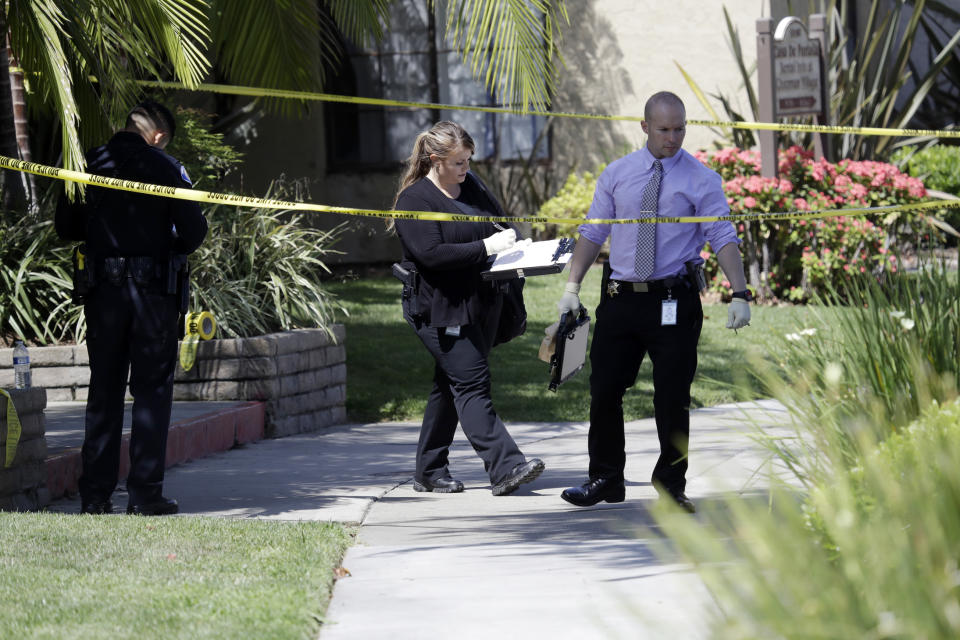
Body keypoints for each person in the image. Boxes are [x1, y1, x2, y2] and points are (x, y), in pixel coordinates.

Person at [556, 92, 751, 513]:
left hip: (673, 300)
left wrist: (740, 292)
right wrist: (572, 287)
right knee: (605, 390)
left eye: (680, 128)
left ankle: (671, 483)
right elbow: (593, 232)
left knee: (672, 396)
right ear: (645, 127)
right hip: (621, 298)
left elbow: (723, 236)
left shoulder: (702, 179)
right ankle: (605, 477)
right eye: (663, 129)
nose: (673, 137)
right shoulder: (618, 174)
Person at [55, 100, 208, 516]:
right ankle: (144, 495)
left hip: (103, 293)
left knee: (104, 391)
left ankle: (95, 496)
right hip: (152, 295)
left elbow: (65, 228)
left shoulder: (86, 163)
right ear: (157, 135)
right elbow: (194, 232)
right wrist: (162, 245)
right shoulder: (166, 168)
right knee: (151, 392)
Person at [391, 120, 545, 496]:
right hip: (438, 307)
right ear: (435, 161)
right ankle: (506, 466)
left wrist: (518, 245)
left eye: (468, 161)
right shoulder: (415, 200)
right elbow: (431, 255)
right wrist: (486, 249)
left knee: (450, 383)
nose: (466, 169)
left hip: (480, 301)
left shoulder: (470, 186)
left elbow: (498, 225)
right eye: (458, 162)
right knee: (472, 383)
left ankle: (429, 469)